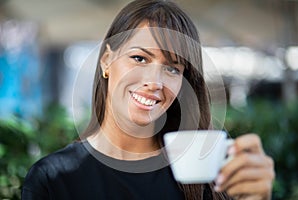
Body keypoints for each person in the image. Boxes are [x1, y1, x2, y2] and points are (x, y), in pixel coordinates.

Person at [21, 0, 275, 199]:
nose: (155, 82)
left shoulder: (208, 172)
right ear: (107, 60)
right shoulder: (52, 179)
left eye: (173, 68)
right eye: (139, 58)